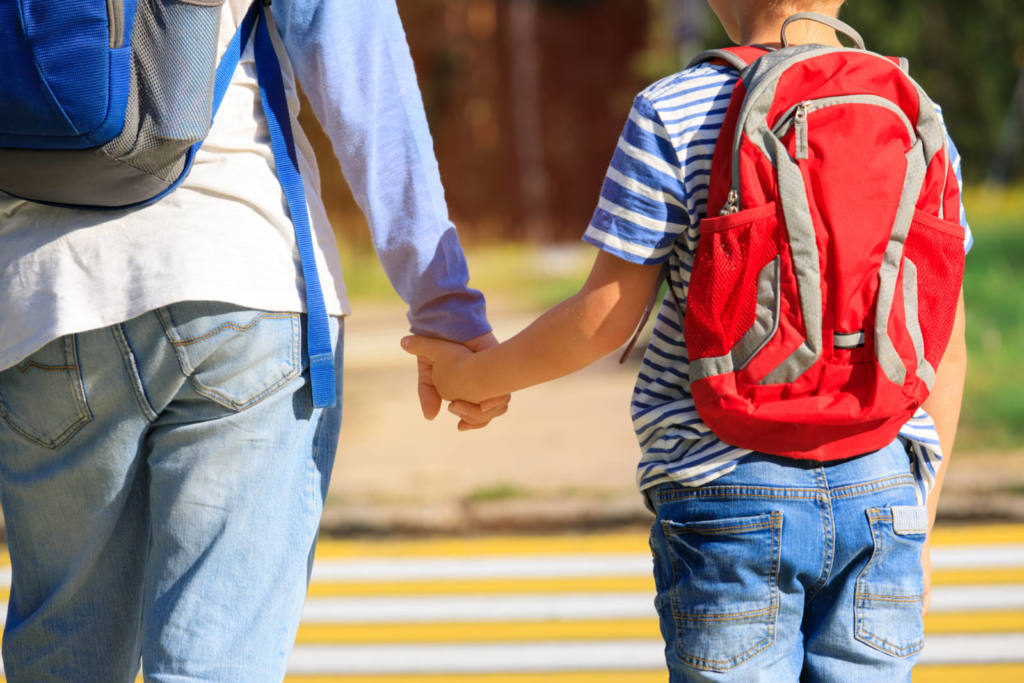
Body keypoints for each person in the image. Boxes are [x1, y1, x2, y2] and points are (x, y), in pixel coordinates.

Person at [402, 0, 970, 679]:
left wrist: (474, 377)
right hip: (883, 489)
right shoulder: (914, 112)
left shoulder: (676, 108)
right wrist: (922, 520)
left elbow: (605, 316)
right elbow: (945, 341)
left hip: (726, 487)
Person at [0, 1, 505, 680]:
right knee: (215, 661)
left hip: (41, 305)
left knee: (65, 654)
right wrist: (445, 305)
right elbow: (360, 67)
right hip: (237, 271)